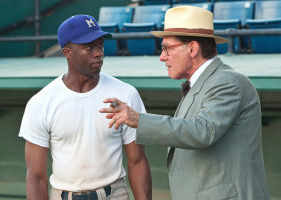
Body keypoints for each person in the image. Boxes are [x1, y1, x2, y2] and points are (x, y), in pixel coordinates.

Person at [99, 6, 270, 200]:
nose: (162, 57)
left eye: (167, 48)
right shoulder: (205, 82)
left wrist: (139, 120)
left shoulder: (226, 81)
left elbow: (202, 131)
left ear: (192, 48)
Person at [19, 15, 152, 200]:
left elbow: (137, 162)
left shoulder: (125, 94)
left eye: (100, 46)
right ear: (67, 52)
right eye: (89, 47)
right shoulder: (41, 102)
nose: (98, 53)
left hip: (114, 193)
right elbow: (36, 177)